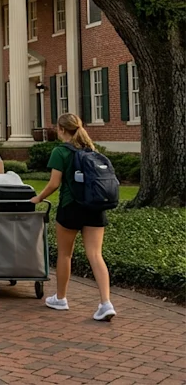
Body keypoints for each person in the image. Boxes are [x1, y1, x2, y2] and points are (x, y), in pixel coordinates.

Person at [32, 113, 116, 321]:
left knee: (65, 254)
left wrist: (38, 198)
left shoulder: (60, 152)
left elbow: (53, 184)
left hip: (71, 207)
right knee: (96, 255)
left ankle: (61, 298)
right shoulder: (91, 150)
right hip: (95, 207)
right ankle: (106, 302)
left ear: (61, 129)